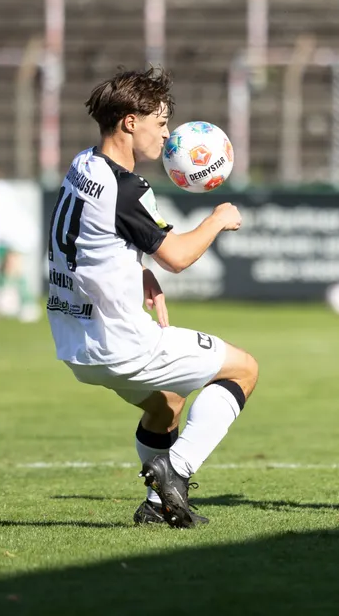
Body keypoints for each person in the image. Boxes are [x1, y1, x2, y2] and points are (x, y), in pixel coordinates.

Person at [46, 67, 258, 528]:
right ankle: (175, 471)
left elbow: (84, 240)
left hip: (75, 343)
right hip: (122, 342)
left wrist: (137, 271)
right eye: (160, 123)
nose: (166, 135)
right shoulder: (127, 189)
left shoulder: (82, 165)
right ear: (129, 122)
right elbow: (177, 257)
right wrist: (218, 219)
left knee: (166, 405)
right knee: (244, 369)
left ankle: (157, 507)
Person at [0, 158, 41, 323]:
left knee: (13, 268)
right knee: (4, 269)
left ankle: (28, 305)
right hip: (16, 233)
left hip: (15, 234)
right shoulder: (2, 188)